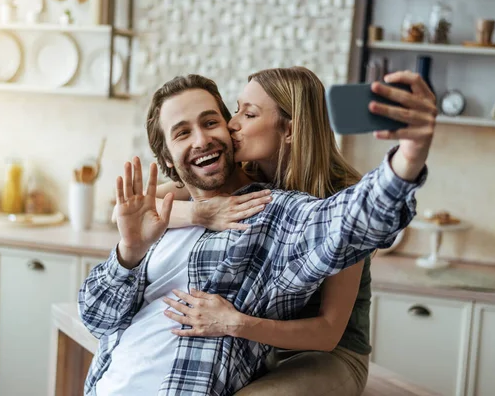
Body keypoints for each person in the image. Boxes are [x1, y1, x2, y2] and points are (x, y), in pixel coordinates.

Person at [79, 72, 431, 396]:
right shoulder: (172, 215)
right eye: (183, 132)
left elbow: (349, 220)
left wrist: (409, 158)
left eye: (214, 121)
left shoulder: (277, 210)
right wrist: (138, 244)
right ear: (168, 158)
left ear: (288, 130)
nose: (227, 129)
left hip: (329, 349)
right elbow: (96, 316)